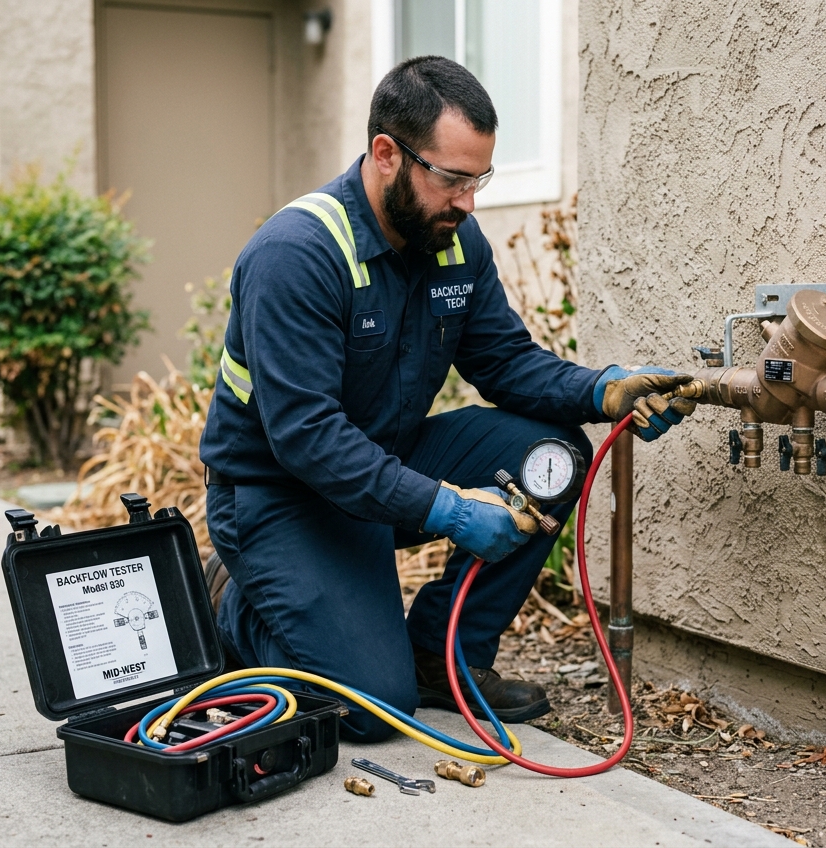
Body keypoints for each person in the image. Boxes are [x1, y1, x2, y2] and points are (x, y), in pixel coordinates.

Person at [199, 56, 695, 742]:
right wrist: (450, 508)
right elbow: (308, 437)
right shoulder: (297, 255)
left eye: (478, 179)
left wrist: (604, 389)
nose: (468, 202)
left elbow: (504, 362)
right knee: (371, 708)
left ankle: (443, 656)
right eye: (452, 179)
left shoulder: (452, 241)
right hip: (281, 496)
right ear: (386, 154)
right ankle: (232, 600)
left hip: (382, 462)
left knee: (548, 452)